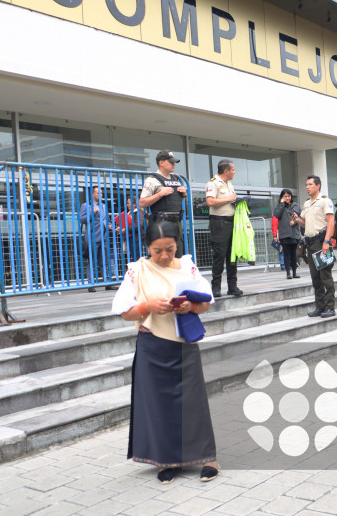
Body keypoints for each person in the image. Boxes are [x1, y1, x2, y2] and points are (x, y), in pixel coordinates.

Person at [110, 221, 219, 484]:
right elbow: (124, 312)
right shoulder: (137, 271)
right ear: (147, 247)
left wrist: (190, 307)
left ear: (177, 244)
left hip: (183, 344)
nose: (163, 256)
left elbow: (206, 303)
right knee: (159, 405)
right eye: (157, 250)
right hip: (152, 346)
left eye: (169, 249)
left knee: (193, 402)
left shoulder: (188, 267)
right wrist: (147, 306)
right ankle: (166, 461)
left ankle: (208, 457)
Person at [292, 176, 336, 318]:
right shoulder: (306, 204)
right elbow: (304, 223)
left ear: (318, 186)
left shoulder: (324, 201)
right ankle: (320, 306)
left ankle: (330, 307)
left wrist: (326, 242)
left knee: (325, 276)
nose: (307, 187)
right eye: (306, 184)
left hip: (321, 242)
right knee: (315, 277)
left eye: (310, 184)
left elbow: (330, 223)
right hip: (310, 243)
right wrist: (297, 220)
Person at [205, 159, 242, 297]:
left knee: (232, 256)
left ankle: (232, 286)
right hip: (219, 223)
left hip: (231, 222)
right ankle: (215, 288)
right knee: (219, 255)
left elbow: (230, 201)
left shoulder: (229, 184)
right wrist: (229, 199)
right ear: (225, 171)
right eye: (233, 170)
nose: (234, 172)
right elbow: (210, 202)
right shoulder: (213, 183)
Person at [139, 150, 187, 258]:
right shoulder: (152, 180)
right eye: (171, 162)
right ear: (161, 163)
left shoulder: (175, 179)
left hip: (176, 223)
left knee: (177, 258)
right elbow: (142, 202)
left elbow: (174, 203)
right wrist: (160, 194)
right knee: (163, 257)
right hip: (161, 224)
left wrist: (183, 195)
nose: (173, 164)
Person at [80, 186, 119, 292]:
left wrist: (110, 225)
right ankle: (91, 284)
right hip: (92, 237)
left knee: (105, 261)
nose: (101, 195)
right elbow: (82, 219)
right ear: (93, 194)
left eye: (101, 193)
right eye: (98, 193)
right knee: (92, 261)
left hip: (104, 236)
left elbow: (106, 219)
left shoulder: (103, 206)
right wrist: (92, 212)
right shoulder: (86, 205)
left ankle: (108, 283)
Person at [272, 189, 302, 280]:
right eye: (285, 196)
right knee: (286, 254)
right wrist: (281, 204)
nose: (287, 198)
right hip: (284, 233)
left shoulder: (296, 206)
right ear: (282, 197)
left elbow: (301, 217)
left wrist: (295, 222)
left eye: (289, 196)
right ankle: (288, 273)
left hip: (294, 233)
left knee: (294, 254)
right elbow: (276, 215)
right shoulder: (279, 206)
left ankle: (294, 273)